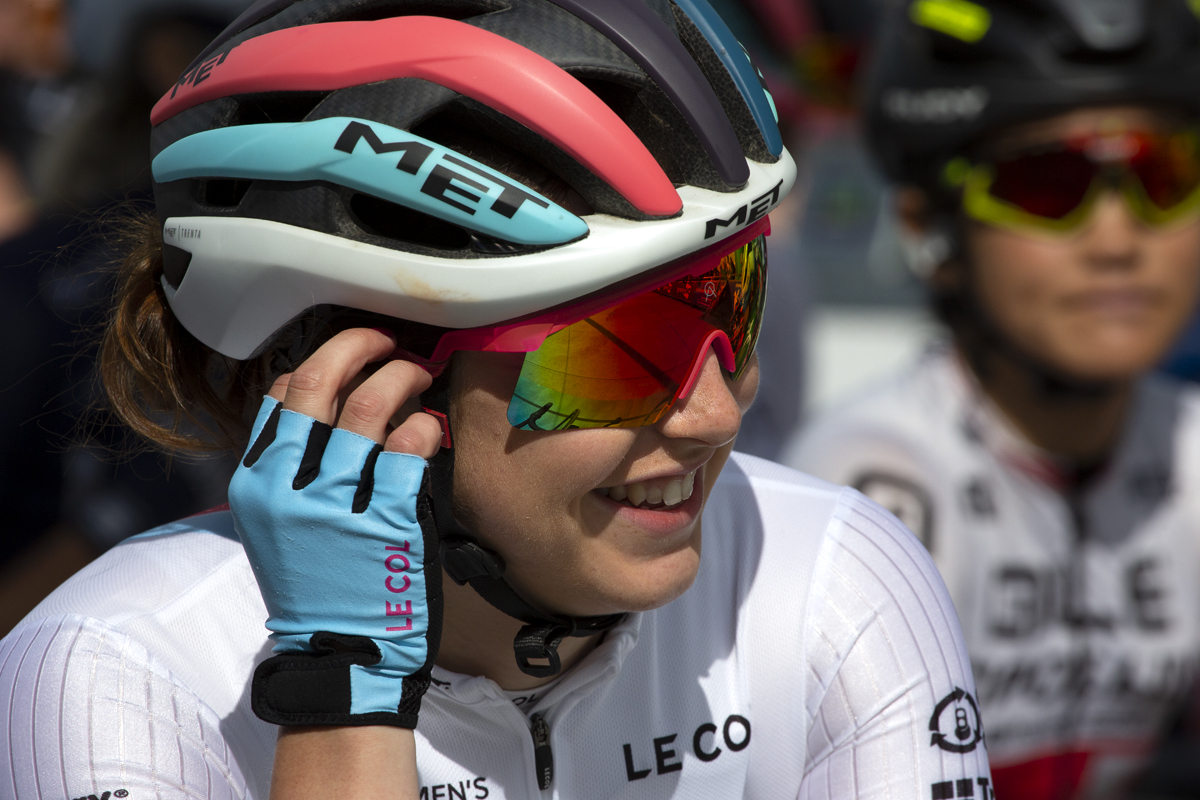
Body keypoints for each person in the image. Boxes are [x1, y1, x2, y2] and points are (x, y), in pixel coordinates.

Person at [0, 1, 991, 797]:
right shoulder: (112, 671)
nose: (714, 414)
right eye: (614, 355)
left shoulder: (831, 574)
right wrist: (343, 688)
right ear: (366, 379)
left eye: (731, 307)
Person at [786, 1, 1200, 798]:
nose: (1116, 240)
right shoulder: (874, 489)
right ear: (928, 228)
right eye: (1046, 184)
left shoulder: (1191, 457)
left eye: (1164, 175)